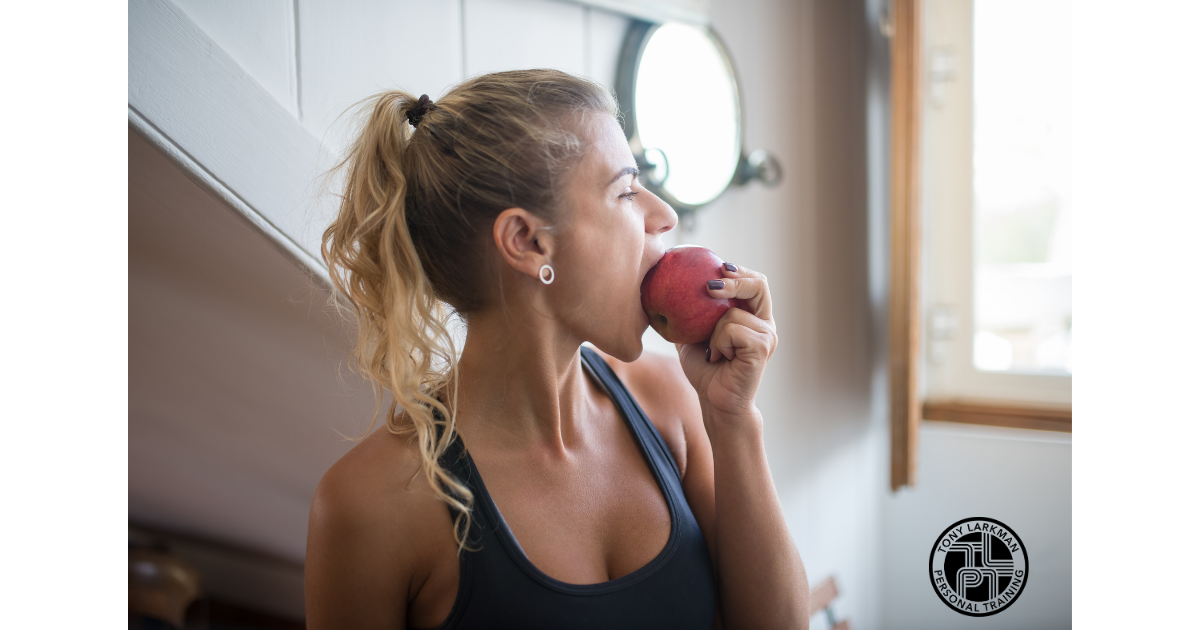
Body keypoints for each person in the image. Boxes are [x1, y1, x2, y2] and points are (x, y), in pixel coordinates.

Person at [305, 69, 808, 629]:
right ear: (527, 242)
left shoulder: (669, 403)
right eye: (625, 189)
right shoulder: (369, 507)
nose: (663, 215)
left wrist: (734, 419)